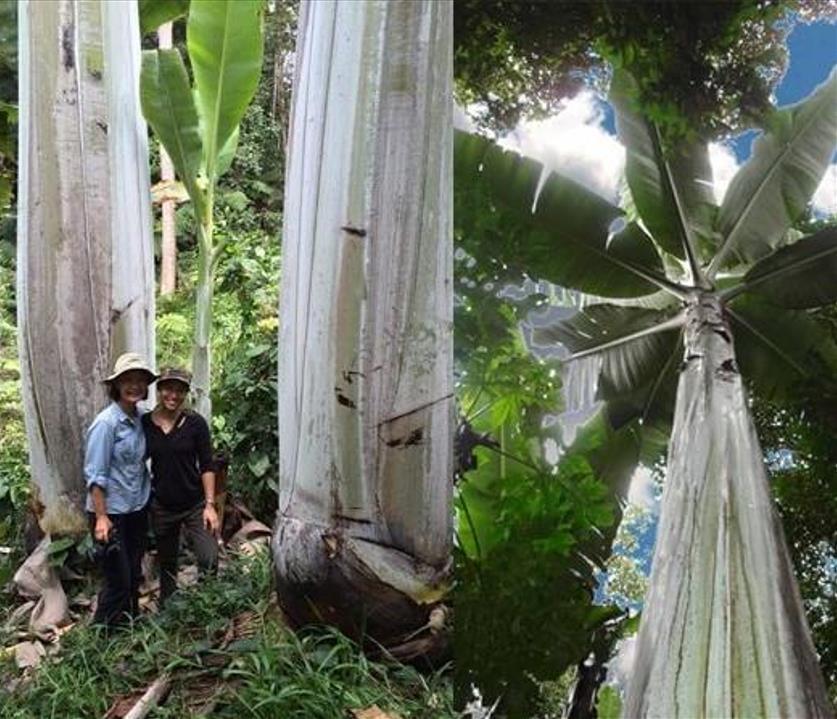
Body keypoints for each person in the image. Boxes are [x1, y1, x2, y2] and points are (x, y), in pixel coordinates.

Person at [85, 352, 157, 627]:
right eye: (128, 380)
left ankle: (129, 624)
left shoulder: (143, 418)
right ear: (116, 385)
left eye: (140, 380)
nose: (134, 386)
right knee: (118, 579)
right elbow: (95, 475)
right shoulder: (106, 424)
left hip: (136, 508)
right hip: (110, 512)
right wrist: (101, 518)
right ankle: (100, 635)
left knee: (134, 572)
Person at [142, 367, 219, 606]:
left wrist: (210, 505)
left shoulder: (195, 423)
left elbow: (207, 464)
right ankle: (169, 610)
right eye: (168, 389)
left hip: (195, 503)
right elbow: (134, 460)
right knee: (167, 565)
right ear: (159, 390)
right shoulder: (145, 423)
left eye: (179, 390)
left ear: (186, 393)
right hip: (162, 505)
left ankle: (208, 605)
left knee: (209, 558)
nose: (173, 395)